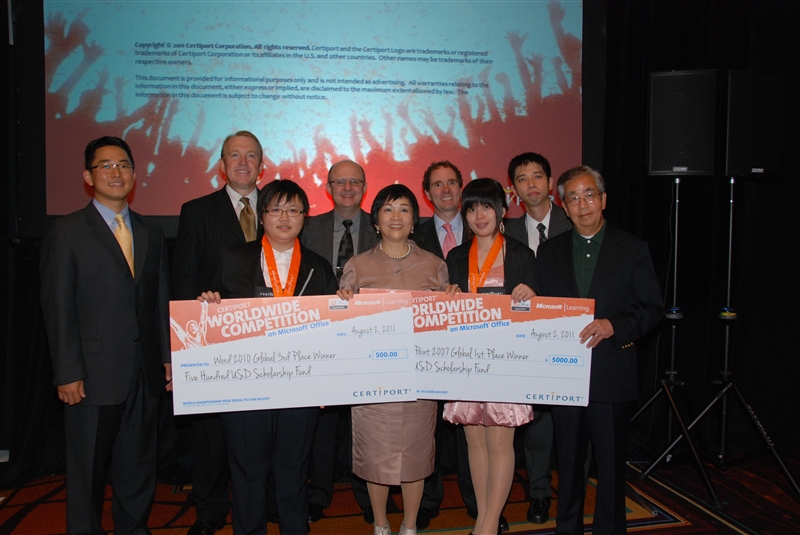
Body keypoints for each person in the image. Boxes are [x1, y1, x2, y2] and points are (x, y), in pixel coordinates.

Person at [40, 136, 172, 534]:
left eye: (124, 165)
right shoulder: (66, 232)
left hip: (143, 373)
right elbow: (58, 306)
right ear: (88, 176)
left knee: (138, 467)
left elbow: (158, 300)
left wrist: (168, 358)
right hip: (91, 377)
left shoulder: (149, 232)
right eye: (106, 165)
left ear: (134, 174)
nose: (117, 172)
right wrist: (67, 372)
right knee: (88, 473)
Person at [199, 179, 337, 535]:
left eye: (293, 210)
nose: (284, 218)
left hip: (301, 385)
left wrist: (327, 383)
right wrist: (207, 303)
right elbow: (210, 313)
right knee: (247, 470)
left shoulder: (318, 267)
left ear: (305, 217)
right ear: (261, 216)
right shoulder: (234, 258)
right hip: (245, 384)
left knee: (293, 469)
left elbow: (332, 330)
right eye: (276, 210)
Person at [536, 166, 664, 535]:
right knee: (568, 464)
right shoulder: (549, 251)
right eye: (573, 198)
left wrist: (614, 325)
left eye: (589, 195)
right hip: (564, 376)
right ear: (564, 207)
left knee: (610, 468)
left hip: (611, 373)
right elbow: (542, 310)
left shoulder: (633, 248)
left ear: (603, 199)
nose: (582, 204)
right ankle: (568, 529)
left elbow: (652, 308)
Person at [337, 184, 449, 535]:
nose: (396, 216)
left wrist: (453, 301)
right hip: (374, 382)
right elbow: (342, 325)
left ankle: (410, 526)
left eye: (404, 209)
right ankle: (381, 524)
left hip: (419, 381)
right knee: (376, 456)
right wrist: (341, 304)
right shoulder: (358, 265)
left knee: (416, 456)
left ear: (414, 220)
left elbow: (445, 327)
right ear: (376, 221)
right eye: (387, 209)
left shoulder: (435, 265)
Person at [172, 130, 264, 535]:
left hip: (272, 338)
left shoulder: (281, 209)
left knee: (265, 429)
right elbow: (184, 277)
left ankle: (265, 504)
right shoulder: (196, 211)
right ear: (222, 165)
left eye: (251, 155)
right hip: (212, 341)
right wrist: (184, 346)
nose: (243, 162)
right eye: (235, 155)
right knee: (210, 434)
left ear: (262, 165)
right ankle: (210, 511)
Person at [443, 178, 537, 535]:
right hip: (467, 360)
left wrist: (532, 295)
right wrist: (447, 295)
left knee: (499, 441)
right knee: (474, 442)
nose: (479, 215)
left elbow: (537, 312)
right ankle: (486, 517)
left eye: (486, 206)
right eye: (471, 208)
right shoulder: (455, 257)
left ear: (501, 210)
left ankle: (486, 526)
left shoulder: (520, 255)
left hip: (506, 361)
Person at [300, 159, 379, 523]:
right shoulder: (307, 227)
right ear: (328, 187)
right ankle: (318, 493)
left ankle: (368, 495)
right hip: (319, 334)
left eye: (355, 181)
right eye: (340, 182)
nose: (348, 188)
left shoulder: (382, 226)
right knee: (322, 422)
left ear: (364, 186)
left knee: (365, 418)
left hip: (367, 333)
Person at [504, 151, 572, 524]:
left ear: (550, 182)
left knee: (573, 424)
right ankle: (540, 494)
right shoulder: (505, 232)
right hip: (523, 341)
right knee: (537, 424)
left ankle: (574, 492)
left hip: (570, 336)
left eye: (537, 176)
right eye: (522, 179)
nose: (530, 184)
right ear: (514, 189)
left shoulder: (574, 221)